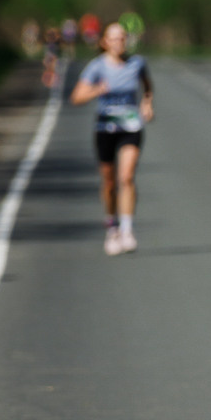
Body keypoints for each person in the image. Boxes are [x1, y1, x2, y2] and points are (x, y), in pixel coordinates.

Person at [73, 21, 152, 255]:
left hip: (131, 126)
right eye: (114, 38)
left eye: (122, 38)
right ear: (104, 42)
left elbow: (147, 86)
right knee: (109, 183)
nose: (119, 42)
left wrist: (147, 103)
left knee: (126, 177)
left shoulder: (137, 64)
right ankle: (112, 226)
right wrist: (98, 90)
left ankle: (127, 229)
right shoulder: (97, 67)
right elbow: (77, 97)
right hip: (105, 128)